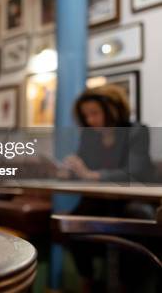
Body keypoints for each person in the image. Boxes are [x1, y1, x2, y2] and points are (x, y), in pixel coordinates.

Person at [62, 85, 157, 291]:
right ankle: (87, 279)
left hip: (134, 198)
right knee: (71, 223)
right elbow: (82, 169)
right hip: (100, 199)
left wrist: (91, 175)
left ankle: (128, 286)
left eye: (94, 113)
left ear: (112, 109)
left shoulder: (137, 131)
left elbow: (136, 172)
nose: (89, 120)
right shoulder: (90, 136)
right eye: (86, 115)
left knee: (136, 218)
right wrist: (67, 171)